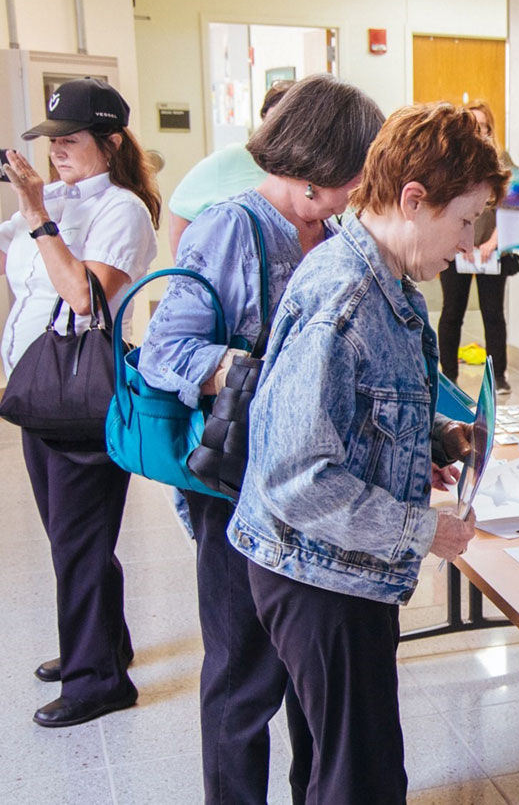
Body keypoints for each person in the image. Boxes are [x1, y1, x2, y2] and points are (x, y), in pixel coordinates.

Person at [230, 102, 503, 803]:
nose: (470, 245)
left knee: (340, 764)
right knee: (364, 778)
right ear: (413, 200)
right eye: (465, 220)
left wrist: (432, 442)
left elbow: (354, 415)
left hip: (338, 565)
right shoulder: (345, 297)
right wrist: (425, 528)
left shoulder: (384, 278)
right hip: (319, 575)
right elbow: (297, 477)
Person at [139, 73, 384, 803]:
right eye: (356, 168)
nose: (360, 186)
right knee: (243, 680)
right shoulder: (231, 227)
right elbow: (164, 348)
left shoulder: (337, 232)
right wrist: (258, 369)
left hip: (314, 489)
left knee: (313, 685)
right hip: (238, 488)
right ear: (321, 163)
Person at [1, 78, 159, 726]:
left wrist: (39, 216)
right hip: (40, 391)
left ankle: (99, 680)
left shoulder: (122, 210)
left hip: (85, 396)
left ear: (110, 140)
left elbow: (85, 298)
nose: (56, 148)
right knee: (72, 535)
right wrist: (32, 205)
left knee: (79, 538)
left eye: (70, 138)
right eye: (50, 138)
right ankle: (105, 643)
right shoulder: (56, 199)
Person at [437, 100, 515, 394]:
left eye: (483, 126)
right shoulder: (451, 160)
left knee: (492, 313)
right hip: (458, 250)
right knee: (451, 312)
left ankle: (499, 377)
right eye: (473, 125)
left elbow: (510, 206)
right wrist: (461, 242)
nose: (478, 132)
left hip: (491, 251)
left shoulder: (502, 160)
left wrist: (493, 242)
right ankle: (449, 375)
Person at [167, 79, 294, 248]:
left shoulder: (312, 167)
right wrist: (190, 269)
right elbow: (180, 208)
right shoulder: (232, 158)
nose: (282, 131)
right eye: (276, 121)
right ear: (264, 119)